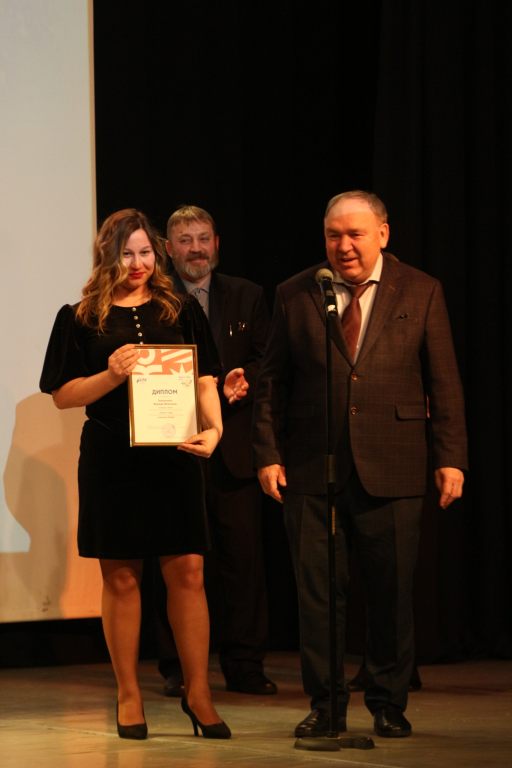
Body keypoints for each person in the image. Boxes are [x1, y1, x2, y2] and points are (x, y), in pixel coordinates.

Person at [252, 190, 467, 739]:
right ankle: (326, 705)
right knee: (319, 596)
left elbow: (443, 380)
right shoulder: (297, 291)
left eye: (355, 234)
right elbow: (271, 382)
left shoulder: (420, 289)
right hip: (311, 467)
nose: (343, 246)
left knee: (391, 593)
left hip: (393, 463)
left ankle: (388, 702)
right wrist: (268, 454)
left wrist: (451, 457)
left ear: (383, 234)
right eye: (333, 235)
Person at [39, 208, 231, 740]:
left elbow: (206, 378)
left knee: (188, 572)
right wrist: (109, 374)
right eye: (127, 254)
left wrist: (215, 430)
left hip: (174, 457)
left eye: (146, 252)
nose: (138, 263)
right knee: (121, 578)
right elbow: (61, 395)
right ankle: (128, 694)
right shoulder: (79, 317)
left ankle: (199, 693)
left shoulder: (180, 309)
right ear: (108, 256)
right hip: (112, 461)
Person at [152, 204, 276, 696]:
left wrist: (248, 378)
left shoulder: (248, 295)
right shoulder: (153, 298)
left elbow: (270, 359)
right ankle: (178, 668)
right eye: (185, 240)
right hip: (174, 450)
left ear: (217, 243)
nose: (196, 249)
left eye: (203, 238)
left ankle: (245, 665)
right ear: (168, 249)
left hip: (236, 452)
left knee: (243, 564)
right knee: (176, 564)